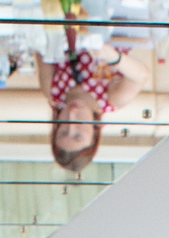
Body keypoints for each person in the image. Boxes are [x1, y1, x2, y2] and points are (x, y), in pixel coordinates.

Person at [48, 26, 149, 172]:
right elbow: (141, 75)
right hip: (115, 22)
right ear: (94, 135)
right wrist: (113, 56)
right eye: (78, 135)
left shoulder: (54, 92)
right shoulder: (111, 99)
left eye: (64, 132)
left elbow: (40, 45)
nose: (71, 118)